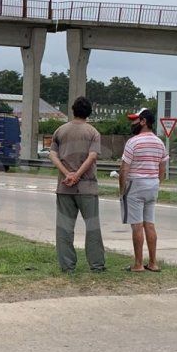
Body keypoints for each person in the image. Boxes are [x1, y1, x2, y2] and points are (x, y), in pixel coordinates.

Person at [50, 96, 105, 273]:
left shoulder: (60, 131)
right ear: (89, 113)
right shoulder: (93, 132)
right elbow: (93, 156)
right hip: (87, 187)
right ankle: (96, 265)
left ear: (72, 110)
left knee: (64, 228)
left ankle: (67, 266)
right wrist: (78, 175)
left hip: (64, 187)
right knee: (92, 227)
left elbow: (52, 155)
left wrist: (68, 174)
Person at [119, 108, 168, 273]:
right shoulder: (160, 142)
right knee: (150, 224)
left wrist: (122, 190)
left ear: (143, 121)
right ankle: (153, 263)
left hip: (136, 184)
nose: (132, 123)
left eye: (135, 120)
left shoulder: (133, 142)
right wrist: (156, 183)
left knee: (137, 226)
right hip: (153, 184)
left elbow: (124, 169)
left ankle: (138, 264)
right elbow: (162, 168)